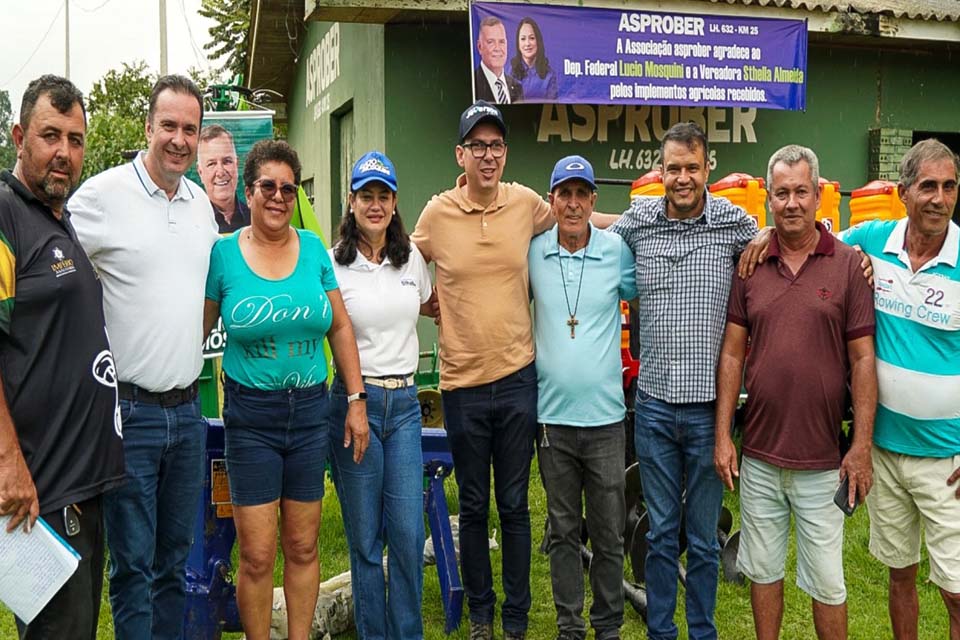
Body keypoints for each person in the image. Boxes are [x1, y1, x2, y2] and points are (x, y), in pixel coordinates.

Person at [68, 74, 220, 640]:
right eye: (170, 126)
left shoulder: (202, 207)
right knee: (132, 566)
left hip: (188, 411)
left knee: (173, 564)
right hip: (129, 413)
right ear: (148, 128)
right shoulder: (102, 199)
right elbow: (51, 268)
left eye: (190, 129)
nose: (179, 139)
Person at [203, 139, 369, 640]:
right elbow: (197, 327)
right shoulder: (224, 254)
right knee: (256, 553)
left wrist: (357, 399)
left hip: (310, 412)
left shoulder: (314, 250)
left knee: (302, 546)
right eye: (268, 186)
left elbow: (340, 327)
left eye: (288, 188)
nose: (278, 196)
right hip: (251, 417)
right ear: (249, 192)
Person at [603, 122, 761, 640]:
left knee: (705, 537)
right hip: (651, 409)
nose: (683, 178)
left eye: (692, 167)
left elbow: (780, 237)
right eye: (673, 168)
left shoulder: (734, 224)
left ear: (707, 168)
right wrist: (557, 214)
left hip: (708, 413)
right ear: (661, 170)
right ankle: (661, 633)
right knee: (662, 530)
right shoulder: (641, 220)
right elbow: (599, 228)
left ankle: (703, 632)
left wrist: (847, 253)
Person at [714, 145, 877, 640]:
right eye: (781, 193)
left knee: (828, 584)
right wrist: (724, 435)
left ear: (818, 195)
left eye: (801, 192)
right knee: (763, 573)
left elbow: (863, 359)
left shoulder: (848, 265)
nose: (791, 203)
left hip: (823, 460)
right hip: (760, 455)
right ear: (767, 199)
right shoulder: (751, 266)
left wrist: (861, 446)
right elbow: (733, 355)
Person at [411, 100, 553, 640]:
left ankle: (515, 619)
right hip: (463, 384)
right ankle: (481, 616)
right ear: (461, 154)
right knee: (473, 506)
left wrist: (643, 219)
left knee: (514, 504)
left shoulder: (525, 203)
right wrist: (424, 301)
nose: (488, 155)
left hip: (518, 378)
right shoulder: (437, 213)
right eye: (478, 146)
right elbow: (401, 260)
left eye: (496, 146)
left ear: (504, 154)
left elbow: (574, 216)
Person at [0, 74, 124, 640]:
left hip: (80, 480)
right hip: (41, 486)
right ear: (19, 135)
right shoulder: (5, 217)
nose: (64, 153)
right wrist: (8, 465)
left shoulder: (57, 217)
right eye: (51, 136)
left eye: (76, 140)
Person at [840, 138, 960, 639]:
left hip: (947, 461)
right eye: (928, 186)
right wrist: (762, 239)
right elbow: (811, 244)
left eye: (949, 187)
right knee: (900, 574)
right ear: (903, 192)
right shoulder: (872, 240)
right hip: (884, 452)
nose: (939, 198)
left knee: (956, 590)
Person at [529, 155, 636, 640]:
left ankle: (608, 625)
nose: (572, 204)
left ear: (594, 201)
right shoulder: (532, 253)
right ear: (551, 201)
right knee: (563, 531)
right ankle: (570, 626)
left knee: (610, 532)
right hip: (552, 421)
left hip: (608, 421)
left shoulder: (616, 251)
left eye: (581, 195)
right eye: (563, 194)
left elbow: (650, 292)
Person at [328, 150, 433, 639]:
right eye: (365, 195)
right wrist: (354, 402)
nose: (375, 204)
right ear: (351, 203)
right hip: (356, 404)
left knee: (409, 534)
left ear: (394, 203)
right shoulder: (333, 265)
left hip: (406, 406)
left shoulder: (410, 258)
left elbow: (434, 304)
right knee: (366, 538)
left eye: (383, 196)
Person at [197, 124, 250, 233]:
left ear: (236, 164)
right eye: (211, 164)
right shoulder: (191, 224)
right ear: (200, 172)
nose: (220, 172)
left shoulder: (256, 220)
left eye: (227, 161)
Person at [474, 17, 523, 104]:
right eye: (490, 42)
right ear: (479, 47)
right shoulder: (473, 83)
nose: (497, 48)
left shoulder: (517, 88)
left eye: (501, 42)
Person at [510, 17, 558, 101]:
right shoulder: (510, 73)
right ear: (518, 43)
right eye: (523, 39)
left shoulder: (549, 75)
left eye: (532, 38)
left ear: (538, 41)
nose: (527, 43)